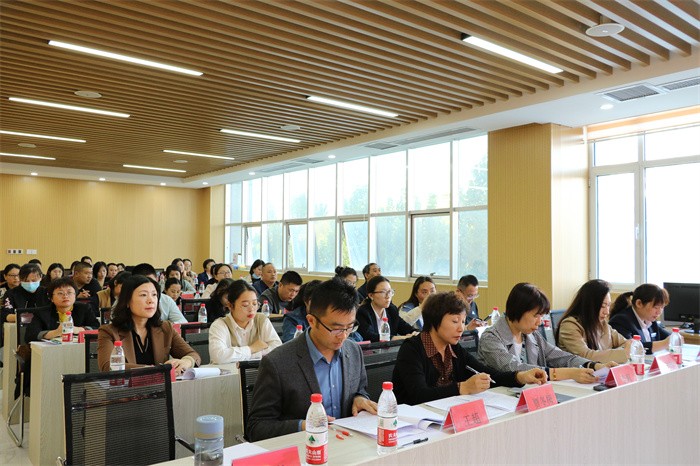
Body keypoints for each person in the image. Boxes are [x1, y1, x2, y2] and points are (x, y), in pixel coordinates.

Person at [247, 278, 377, 441]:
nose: (343, 336)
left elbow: (360, 389)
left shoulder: (353, 350)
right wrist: (303, 426)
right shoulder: (277, 362)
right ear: (312, 321)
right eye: (335, 328)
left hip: (346, 443)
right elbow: (257, 427)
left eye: (350, 327)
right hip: (303, 447)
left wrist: (359, 398)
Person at [393, 292, 546, 405]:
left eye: (463, 321)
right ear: (434, 321)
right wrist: (462, 387)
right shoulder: (412, 349)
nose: (461, 328)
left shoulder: (454, 348)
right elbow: (419, 395)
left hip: (446, 417)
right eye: (455, 321)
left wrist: (520, 376)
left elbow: (490, 375)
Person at [478, 283, 614, 383]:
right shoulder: (491, 338)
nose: (539, 322)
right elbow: (514, 368)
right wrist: (570, 373)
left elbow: (561, 357)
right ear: (518, 310)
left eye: (542, 316)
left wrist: (595, 365)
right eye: (536, 316)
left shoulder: (531, 335)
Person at [97, 275, 200, 374]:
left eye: (154, 295)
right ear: (127, 301)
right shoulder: (109, 332)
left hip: (161, 386)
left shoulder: (165, 328)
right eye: (143, 295)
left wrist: (187, 361)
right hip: (126, 386)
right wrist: (155, 370)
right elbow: (108, 366)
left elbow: (193, 355)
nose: (151, 300)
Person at [556, 280, 631, 364]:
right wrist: (623, 353)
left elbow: (627, 344)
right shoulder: (570, 325)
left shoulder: (603, 324)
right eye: (603, 306)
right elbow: (585, 356)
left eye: (608, 305)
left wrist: (626, 350)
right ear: (588, 305)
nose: (607, 312)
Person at [209, 280, 282, 364]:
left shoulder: (261, 319)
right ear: (230, 305)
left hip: (256, 371)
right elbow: (219, 356)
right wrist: (252, 348)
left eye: (254, 304)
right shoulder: (219, 325)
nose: (251, 309)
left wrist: (248, 355)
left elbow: (277, 349)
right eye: (245, 305)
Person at [25, 277, 100, 342]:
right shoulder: (42, 312)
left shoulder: (84, 308)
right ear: (51, 298)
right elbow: (30, 335)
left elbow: (97, 328)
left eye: (69, 292)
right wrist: (56, 332)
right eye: (60, 293)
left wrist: (78, 329)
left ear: (75, 295)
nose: (65, 296)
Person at [609, 284, 671, 355]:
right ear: (639, 303)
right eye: (656, 307)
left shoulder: (649, 320)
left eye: (662, 307)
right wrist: (664, 343)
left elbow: (668, 336)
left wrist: (675, 337)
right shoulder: (621, 320)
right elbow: (631, 348)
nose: (659, 312)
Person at [356, 276, 417, 342]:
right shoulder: (362, 312)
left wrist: (415, 333)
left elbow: (405, 328)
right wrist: (404, 338)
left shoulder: (391, 310)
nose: (388, 296)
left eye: (390, 292)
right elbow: (371, 337)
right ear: (371, 295)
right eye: (383, 292)